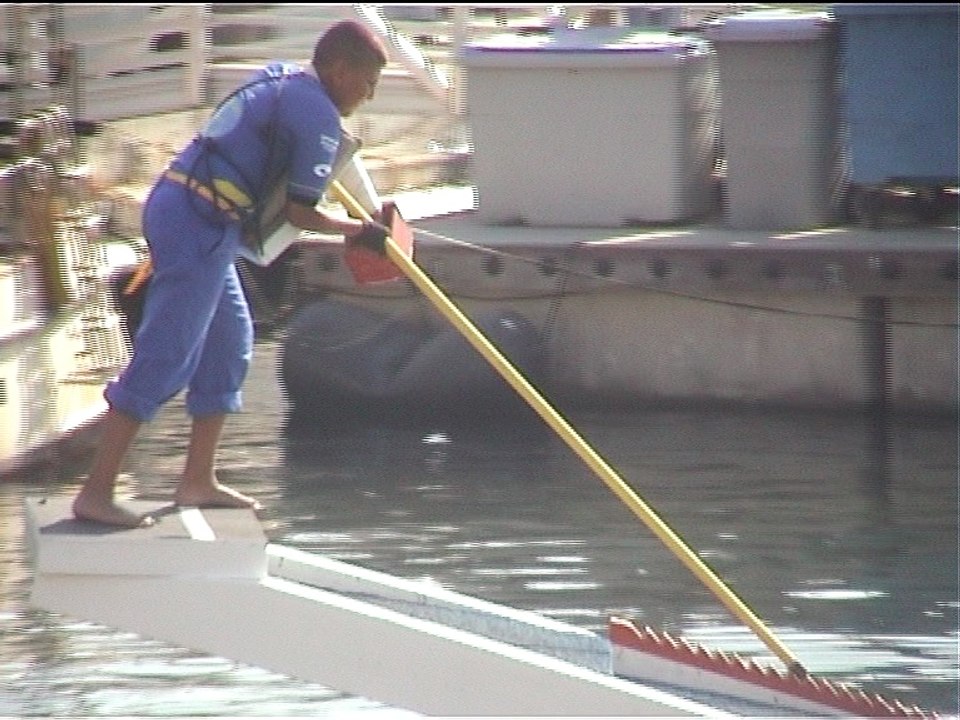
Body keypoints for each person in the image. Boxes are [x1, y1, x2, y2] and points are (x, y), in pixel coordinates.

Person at [72, 20, 390, 528]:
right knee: (169, 353)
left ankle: (197, 480)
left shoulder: (285, 78)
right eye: (367, 80)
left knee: (229, 341)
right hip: (194, 220)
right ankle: (96, 492)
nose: (369, 94)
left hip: (200, 217)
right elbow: (300, 213)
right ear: (339, 67)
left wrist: (365, 217)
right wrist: (358, 233)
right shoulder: (318, 112)